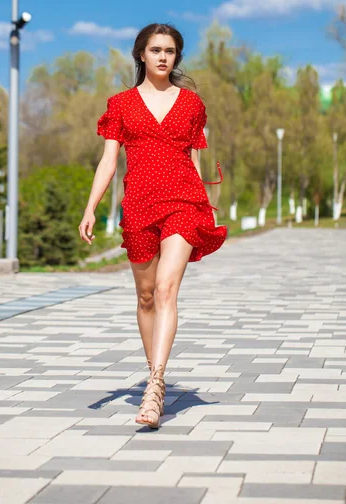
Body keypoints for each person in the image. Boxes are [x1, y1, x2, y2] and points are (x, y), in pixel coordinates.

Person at [79, 23, 227, 429]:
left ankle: (155, 386)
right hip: (140, 204)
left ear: (177, 57)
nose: (164, 57)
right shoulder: (121, 104)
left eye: (171, 51)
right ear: (141, 55)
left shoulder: (192, 104)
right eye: (156, 50)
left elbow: (196, 159)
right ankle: (153, 370)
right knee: (146, 296)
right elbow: (109, 161)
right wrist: (91, 207)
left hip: (183, 201)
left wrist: (205, 205)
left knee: (165, 289)